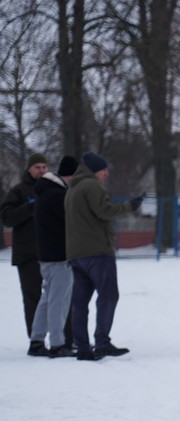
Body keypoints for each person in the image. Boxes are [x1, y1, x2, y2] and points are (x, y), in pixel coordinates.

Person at [65, 152, 144, 361]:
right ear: (94, 171)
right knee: (108, 296)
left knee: (80, 303)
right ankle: (102, 342)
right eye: (103, 170)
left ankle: (82, 347)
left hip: (76, 254)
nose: (106, 174)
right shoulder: (91, 186)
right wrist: (130, 206)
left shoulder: (72, 189)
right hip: (97, 252)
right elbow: (105, 211)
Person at [30, 155, 79, 357]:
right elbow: (72, 221)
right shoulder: (58, 195)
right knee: (59, 300)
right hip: (60, 255)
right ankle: (58, 344)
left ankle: (36, 341)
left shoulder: (46, 192)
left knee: (48, 299)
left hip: (47, 254)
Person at [2, 152, 49, 351]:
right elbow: (7, 218)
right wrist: (28, 207)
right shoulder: (18, 191)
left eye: (44, 167)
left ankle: (61, 337)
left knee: (58, 297)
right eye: (37, 167)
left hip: (51, 252)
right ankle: (36, 340)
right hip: (27, 254)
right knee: (32, 298)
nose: (41, 171)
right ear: (29, 169)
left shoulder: (53, 189)